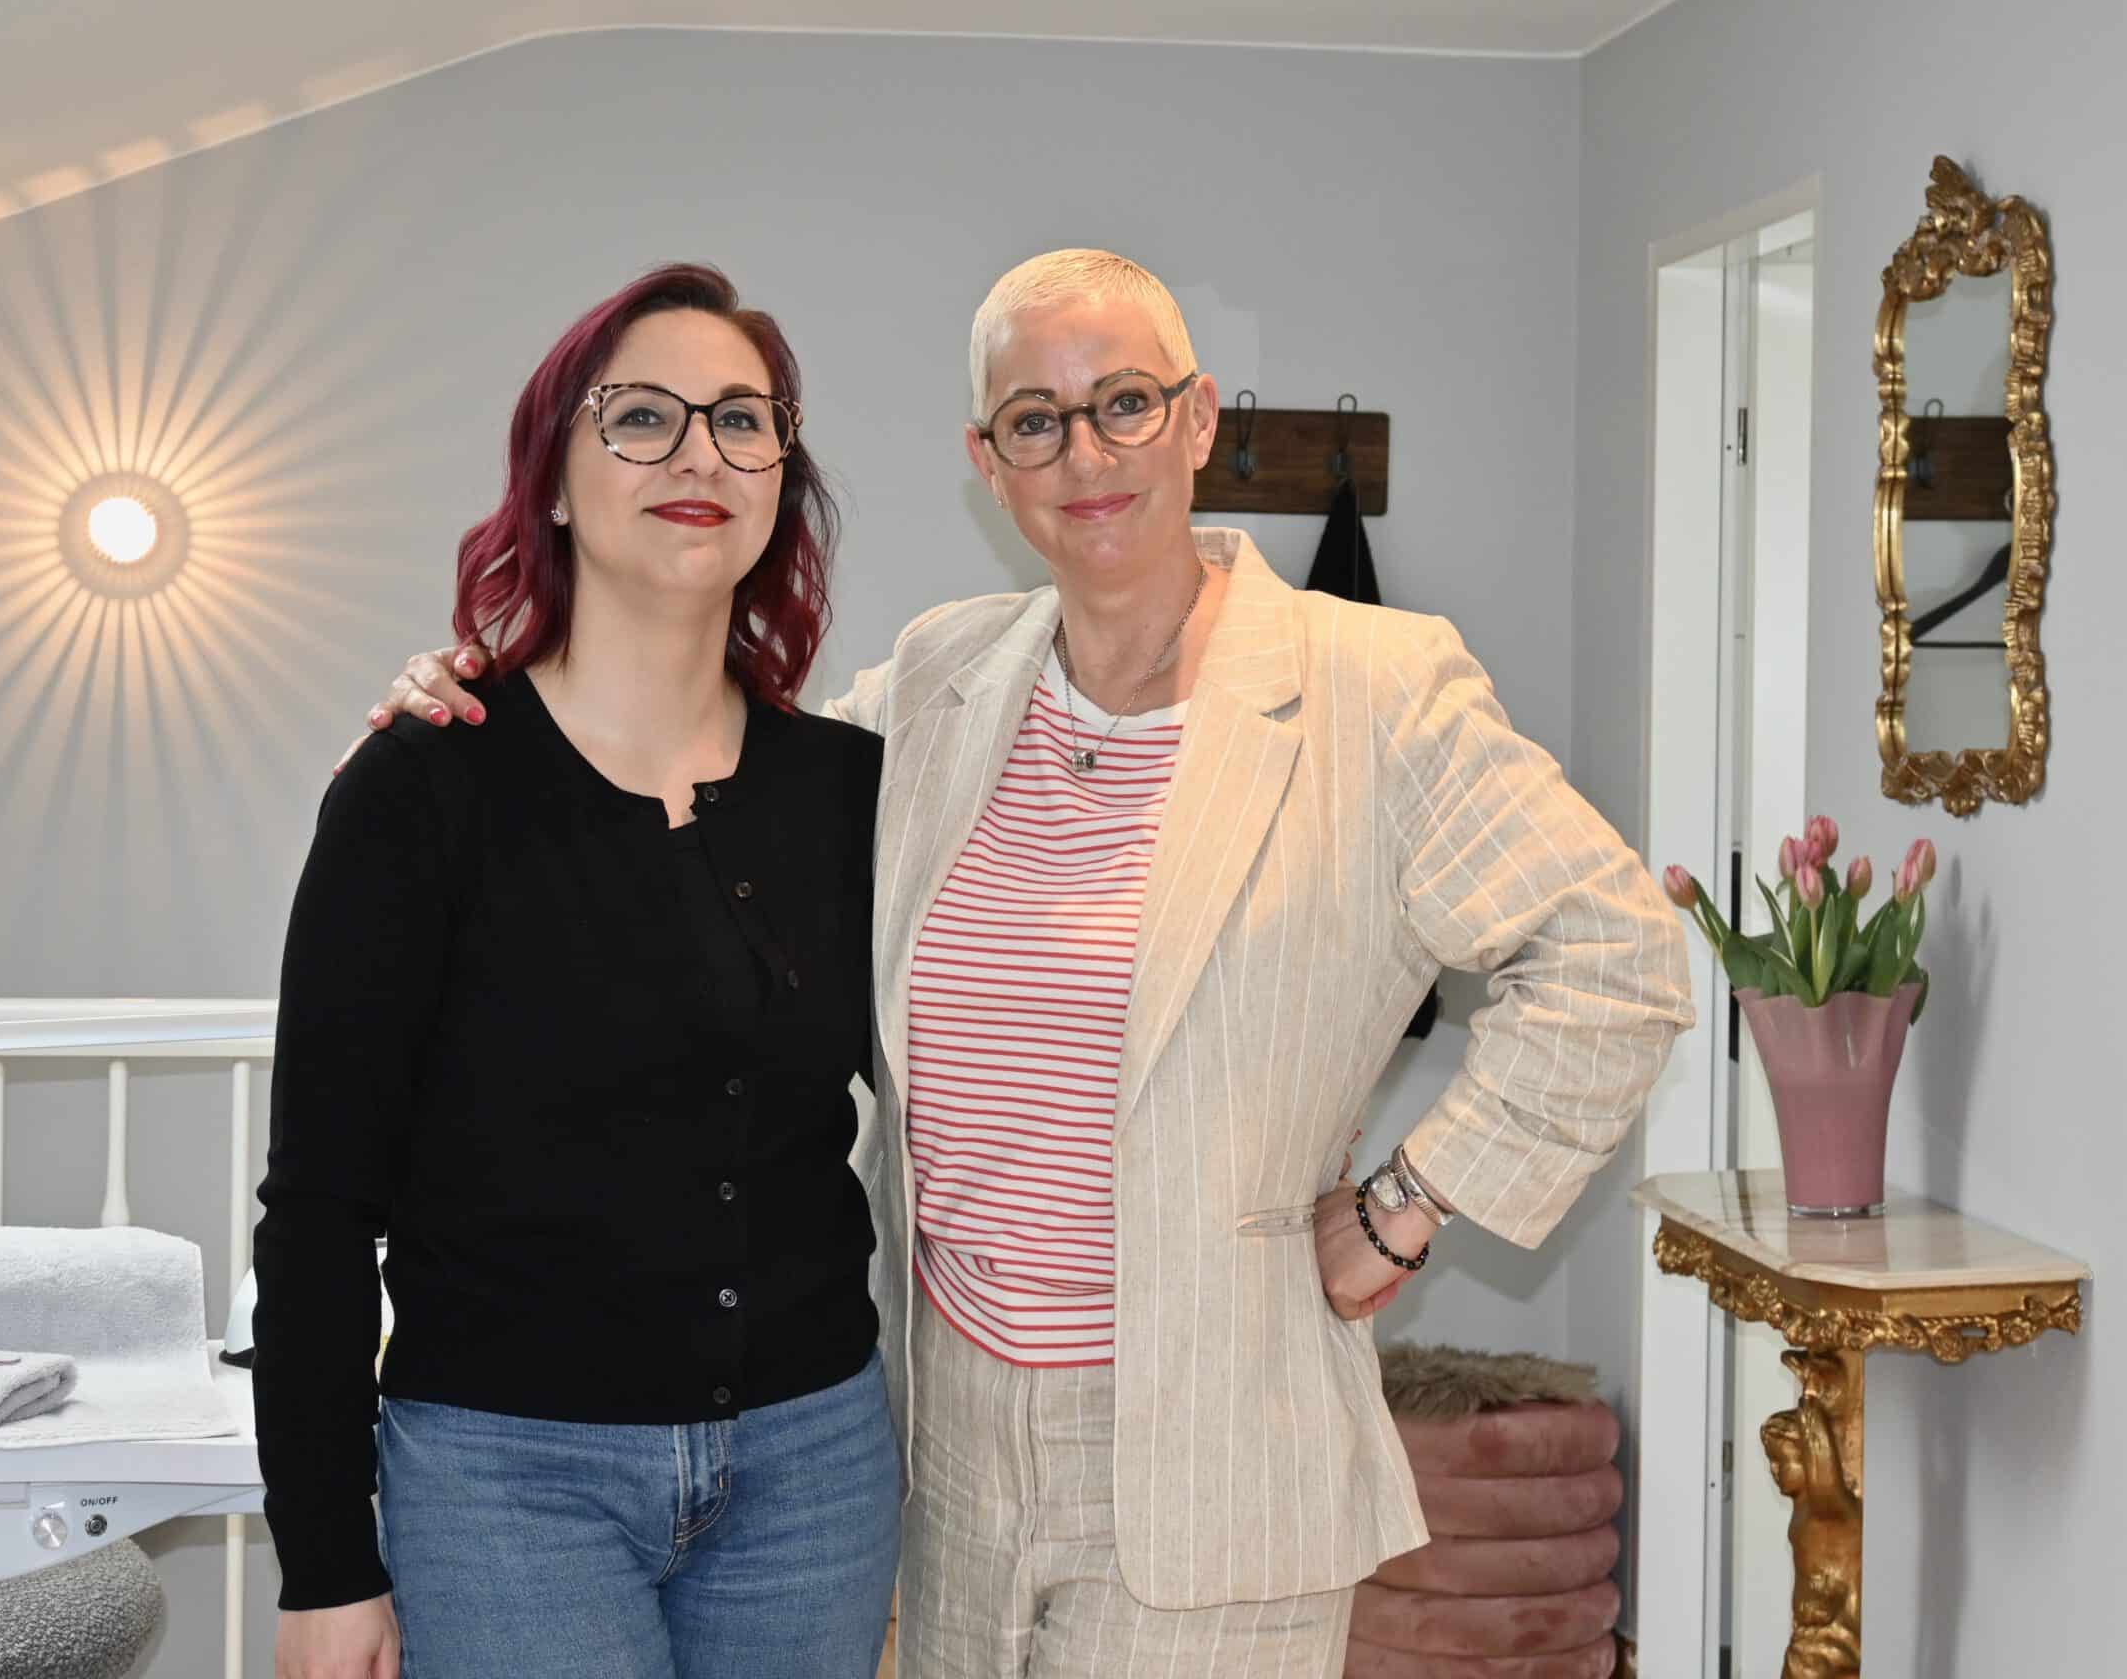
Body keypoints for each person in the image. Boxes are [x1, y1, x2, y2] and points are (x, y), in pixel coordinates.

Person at [360, 249, 1695, 1677]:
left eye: (1125, 403)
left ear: (1197, 419)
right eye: (1035, 421)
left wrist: (1407, 1206)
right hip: (948, 1443)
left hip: (1209, 1439)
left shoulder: (1376, 690)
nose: (1086, 455)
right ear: (986, 462)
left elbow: (1616, 957)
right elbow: (698, 785)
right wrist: (462, 726)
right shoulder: (939, 684)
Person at [257, 264, 902, 1679]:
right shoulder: (423, 789)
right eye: (643, 417)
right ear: (552, 480)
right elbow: (317, 1211)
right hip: (507, 1482)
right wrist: (325, 1562)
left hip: (816, 1472)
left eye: (742, 421)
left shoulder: (854, 791)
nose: (698, 456)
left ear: (780, 482)